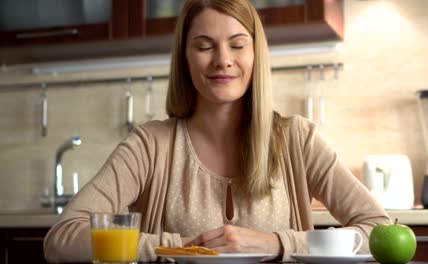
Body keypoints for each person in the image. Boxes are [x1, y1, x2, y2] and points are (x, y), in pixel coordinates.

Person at [43, 0, 391, 262]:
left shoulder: (297, 139)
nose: (222, 59)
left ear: (255, 55)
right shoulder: (150, 144)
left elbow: (381, 231)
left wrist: (279, 244)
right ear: (185, 58)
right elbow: (61, 237)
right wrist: (178, 248)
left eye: (237, 44)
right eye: (204, 45)